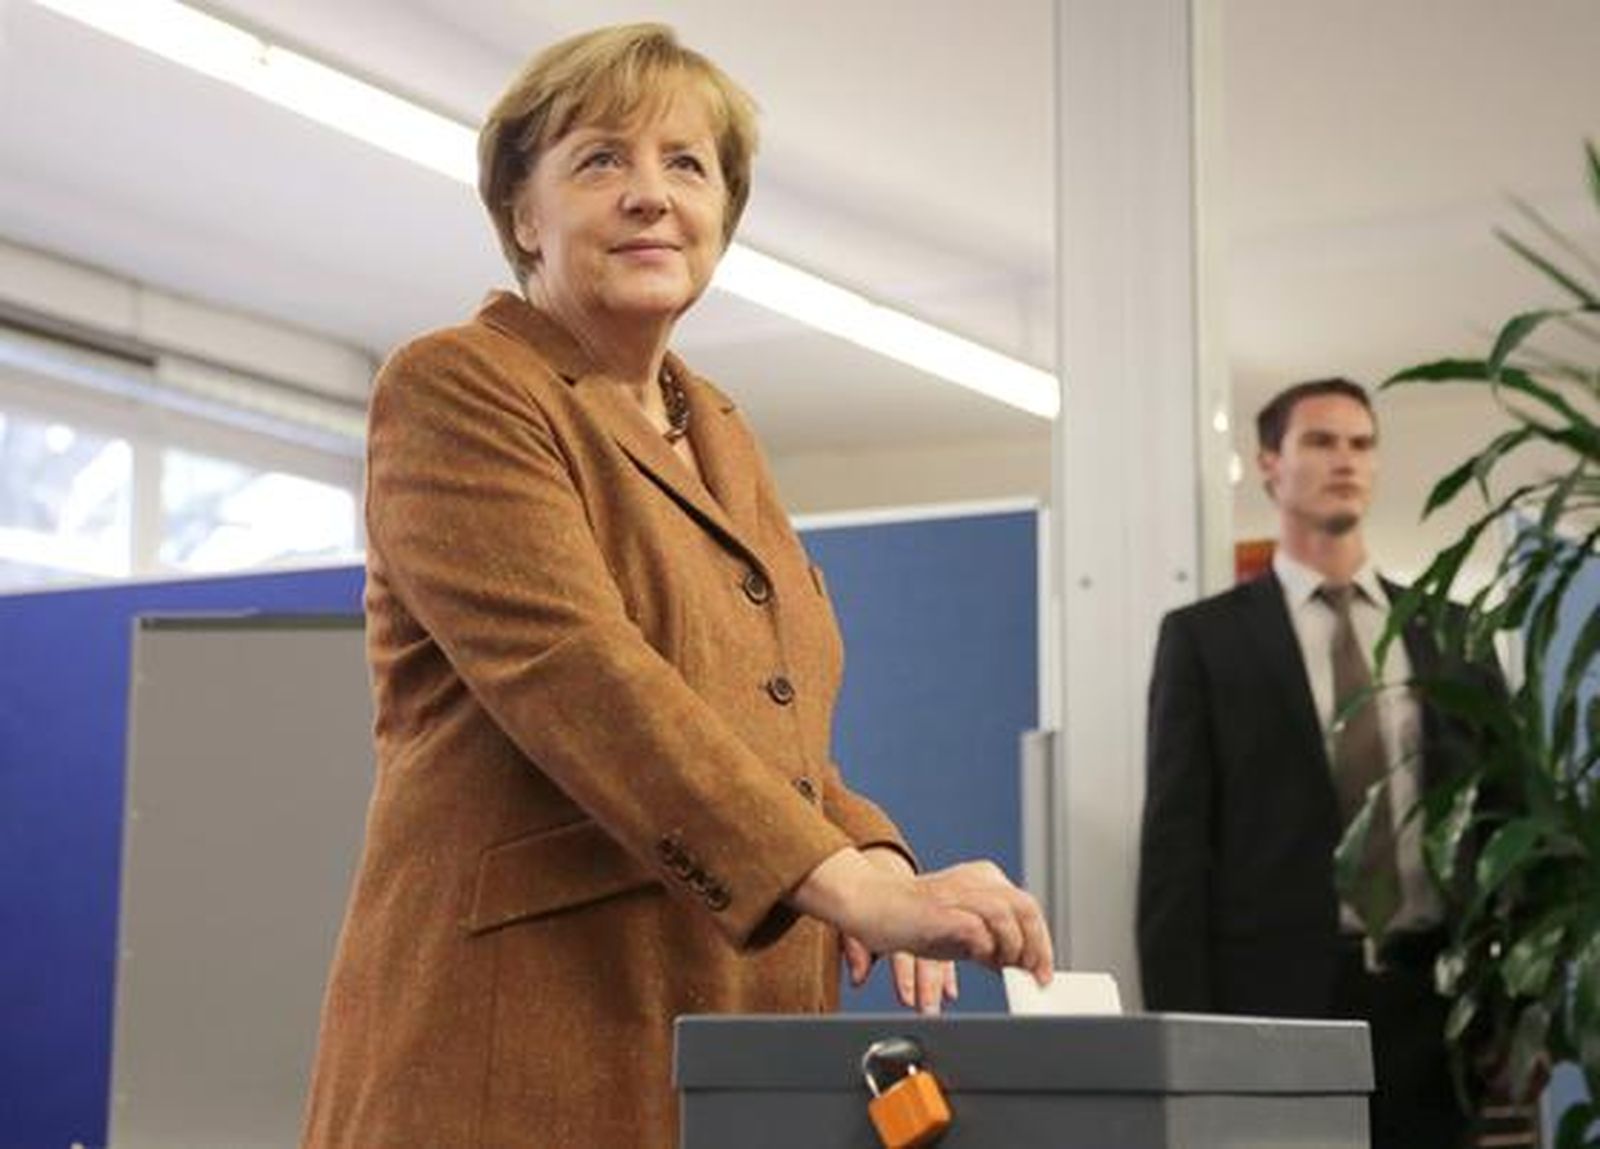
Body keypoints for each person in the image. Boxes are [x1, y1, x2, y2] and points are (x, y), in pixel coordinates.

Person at [299, 24, 1052, 1149]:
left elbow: (761, 713)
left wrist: (880, 850)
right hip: (526, 1033)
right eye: (601, 160)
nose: (650, 195)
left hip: (724, 1023)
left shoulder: (720, 430)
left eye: (686, 165)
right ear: (520, 214)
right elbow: (579, 675)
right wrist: (844, 883)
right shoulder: (460, 384)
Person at [1137, 378, 1497, 1148]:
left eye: (1362, 443)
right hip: (1271, 1010)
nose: (1347, 460)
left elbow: (1499, 817)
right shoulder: (1206, 639)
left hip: (1430, 1002)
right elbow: (1174, 853)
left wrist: (1510, 1009)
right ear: (1269, 464)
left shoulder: (1451, 632)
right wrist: (1183, 1038)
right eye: (1321, 441)